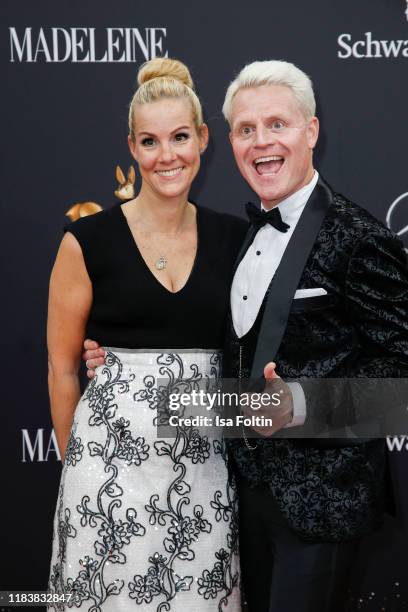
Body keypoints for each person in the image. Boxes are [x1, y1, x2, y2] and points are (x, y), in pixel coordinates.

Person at [85, 60, 408, 612]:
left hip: (319, 506)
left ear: (311, 131)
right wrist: (116, 359)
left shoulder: (359, 239)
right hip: (233, 496)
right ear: (228, 141)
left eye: (277, 125)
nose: (262, 143)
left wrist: (302, 402)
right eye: (246, 129)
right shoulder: (235, 237)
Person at [47, 57, 245, 611]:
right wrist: (78, 474)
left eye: (180, 137)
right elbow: (63, 368)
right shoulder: (86, 241)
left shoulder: (236, 238)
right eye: (150, 141)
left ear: (203, 139)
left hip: (203, 476)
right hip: (105, 479)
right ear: (132, 147)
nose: (167, 156)